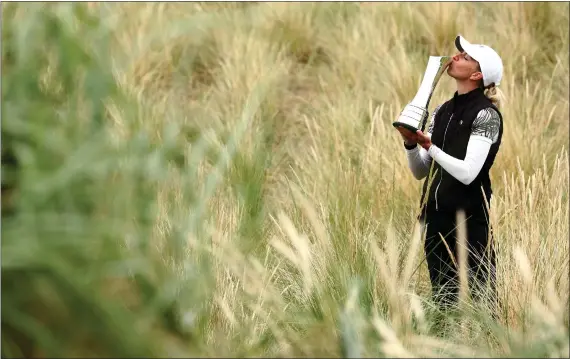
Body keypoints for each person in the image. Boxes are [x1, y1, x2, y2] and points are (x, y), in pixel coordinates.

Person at [397, 35, 504, 314]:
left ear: (477, 74)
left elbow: (468, 173)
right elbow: (421, 171)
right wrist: (411, 144)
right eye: (458, 53)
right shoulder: (441, 111)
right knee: (444, 305)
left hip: (471, 223)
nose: (455, 57)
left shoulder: (487, 116)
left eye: (465, 57)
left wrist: (429, 146)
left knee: (484, 306)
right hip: (436, 221)